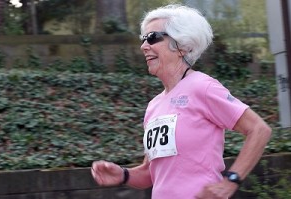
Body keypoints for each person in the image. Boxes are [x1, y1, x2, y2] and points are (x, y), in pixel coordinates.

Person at [91, 4, 272, 199]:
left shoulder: (202, 87)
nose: (144, 46)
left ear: (182, 46)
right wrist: (123, 174)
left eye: (152, 38)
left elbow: (259, 130)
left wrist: (230, 181)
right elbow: (149, 174)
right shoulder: (154, 105)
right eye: (143, 39)